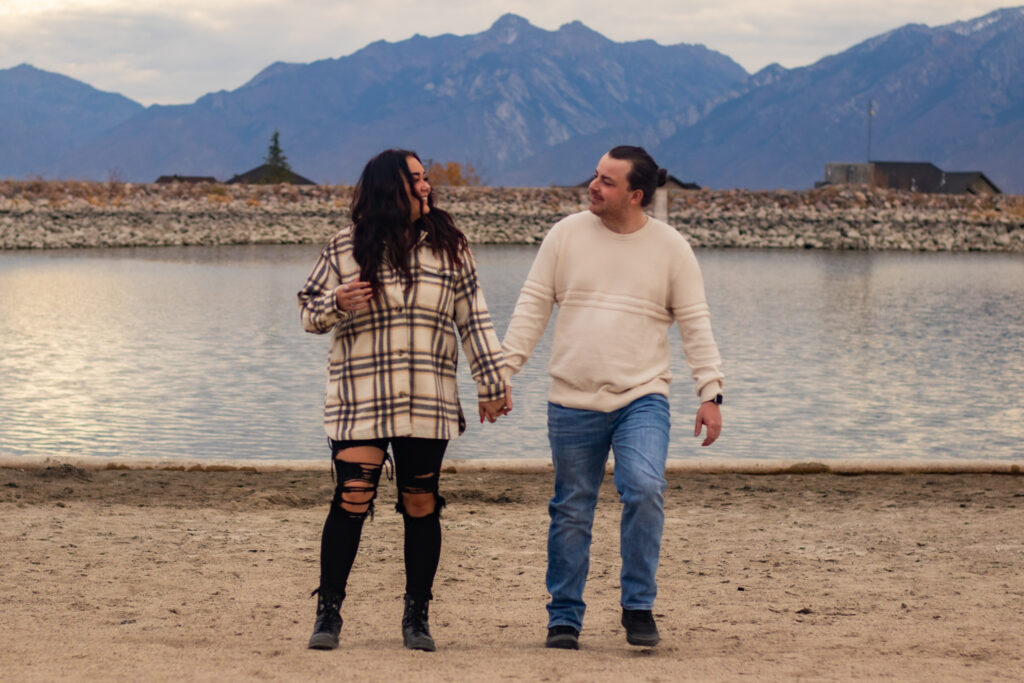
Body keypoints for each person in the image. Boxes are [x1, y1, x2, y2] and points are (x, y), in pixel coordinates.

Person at [501, 146, 724, 650]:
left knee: (644, 488)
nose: (593, 186)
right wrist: (504, 371)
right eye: (594, 175)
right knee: (572, 508)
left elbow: (695, 323)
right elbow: (533, 304)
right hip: (571, 400)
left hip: (642, 397)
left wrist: (711, 392)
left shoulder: (671, 248)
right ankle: (564, 618)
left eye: (606, 181)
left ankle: (638, 605)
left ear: (635, 194)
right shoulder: (566, 234)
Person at [297, 149, 511, 652]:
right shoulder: (343, 248)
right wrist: (336, 303)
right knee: (353, 497)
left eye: (424, 177)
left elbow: (474, 320)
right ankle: (328, 611)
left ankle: (417, 615)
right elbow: (307, 312)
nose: (425, 186)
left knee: (420, 503)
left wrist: (492, 383)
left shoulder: (451, 249)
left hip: (427, 397)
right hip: (359, 397)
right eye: (413, 179)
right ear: (387, 189)